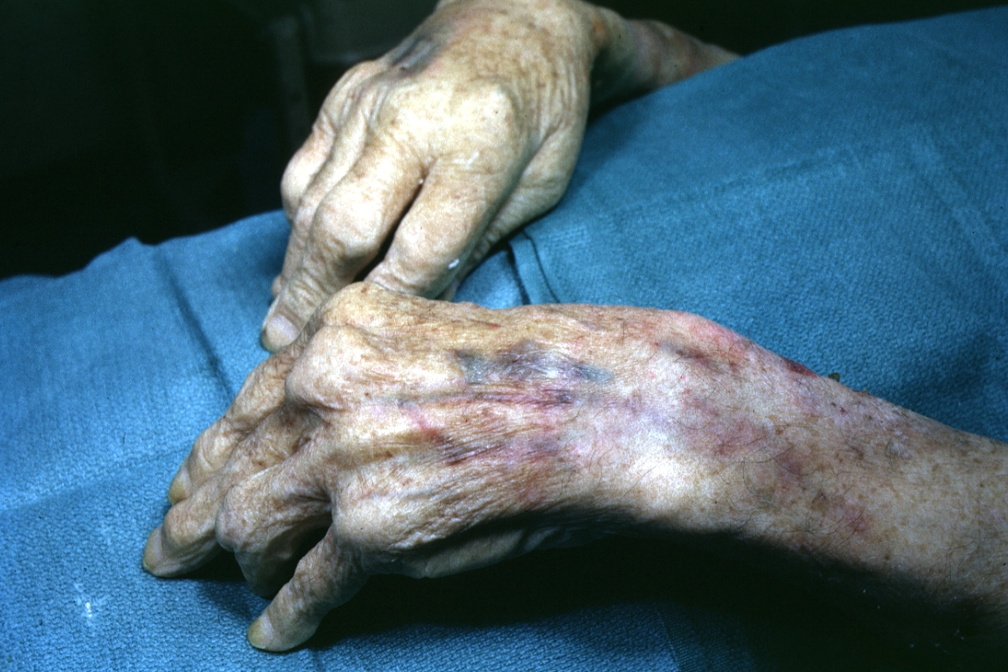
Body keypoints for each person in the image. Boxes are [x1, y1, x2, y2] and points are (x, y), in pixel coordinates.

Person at [3, 1, 1004, 670]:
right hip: (112, 332)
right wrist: (578, 35)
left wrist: (727, 429)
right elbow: (864, 134)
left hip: (571, 577)